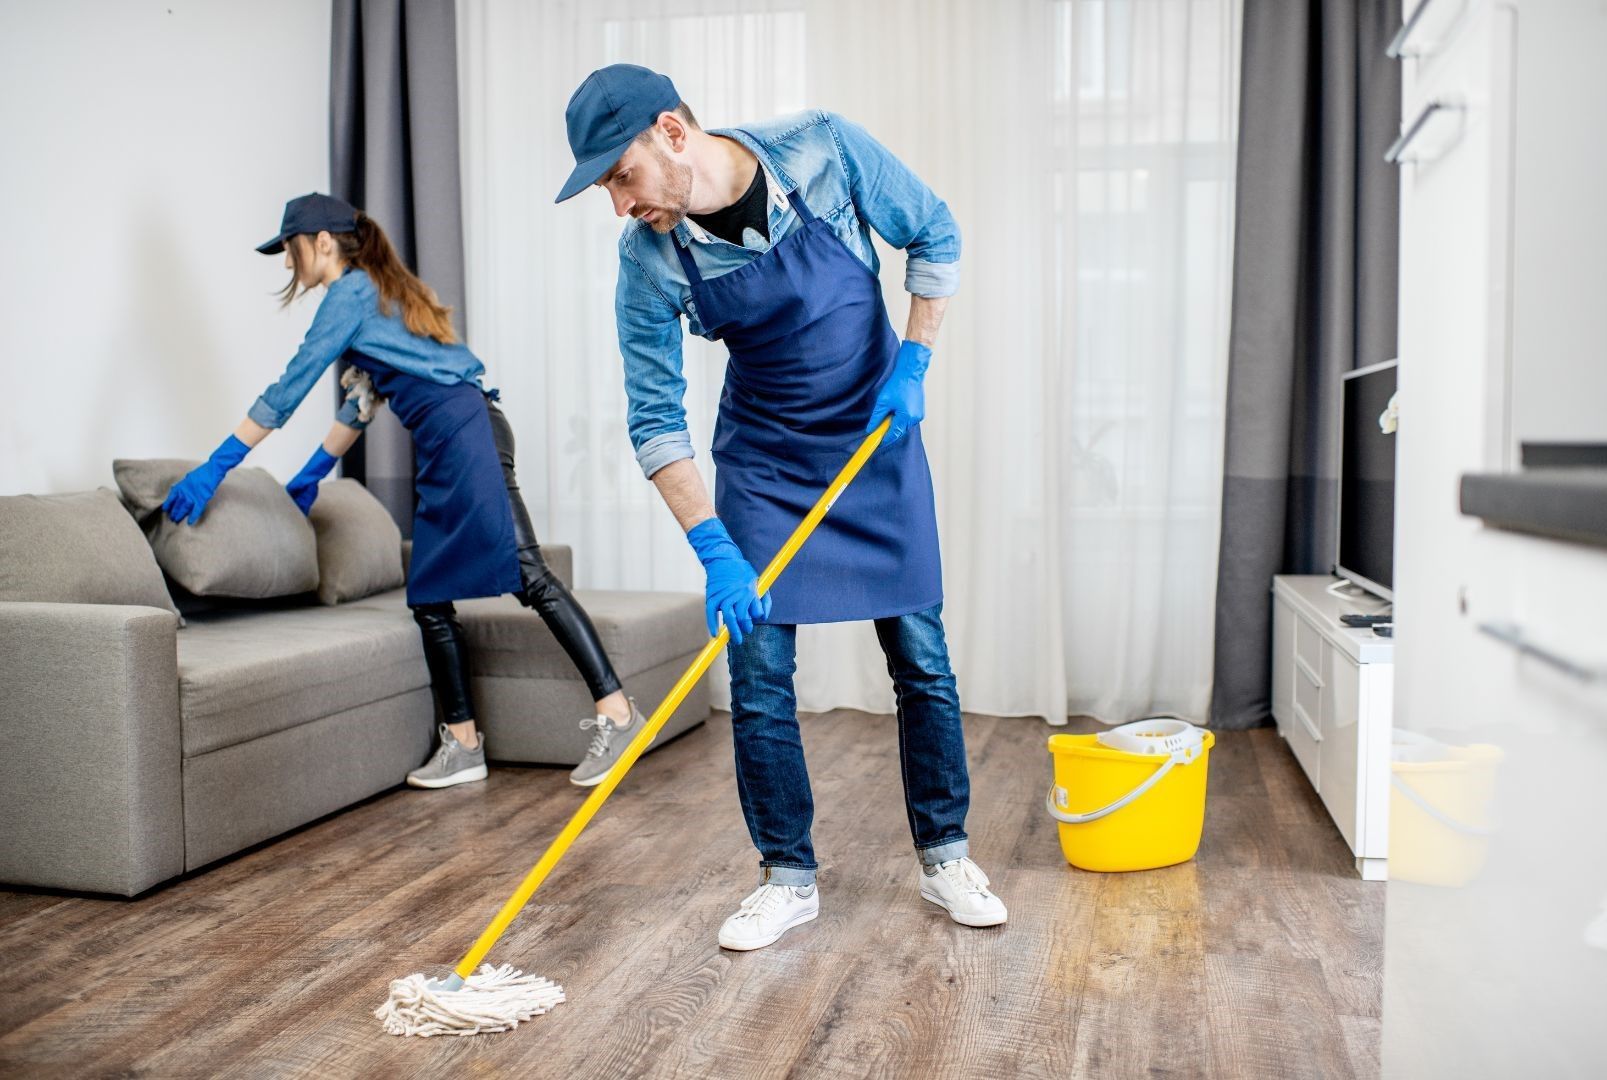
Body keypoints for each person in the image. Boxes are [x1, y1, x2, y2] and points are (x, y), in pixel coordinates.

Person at [556, 65, 1007, 951]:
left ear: (671, 134)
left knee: (920, 654)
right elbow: (655, 417)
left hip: (875, 439)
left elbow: (934, 230)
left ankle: (945, 854)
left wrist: (913, 362)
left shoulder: (822, 151)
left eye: (620, 176)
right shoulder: (649, 258)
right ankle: (787, 876)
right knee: (759, 674)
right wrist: (714, 545)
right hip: (764, 461)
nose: (618, 205)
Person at [161, 193, 645, 789]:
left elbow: (288, 389)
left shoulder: (351, 293)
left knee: (528, 573)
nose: (288, 264)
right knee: (428, 596)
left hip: (464, 434)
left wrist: (216, 466)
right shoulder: (377, 296)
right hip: (452, 440)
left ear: (320, 242)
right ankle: (463, 743)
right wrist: (311, 475)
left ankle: (618, 714)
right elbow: (360, 404)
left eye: (289, 249)